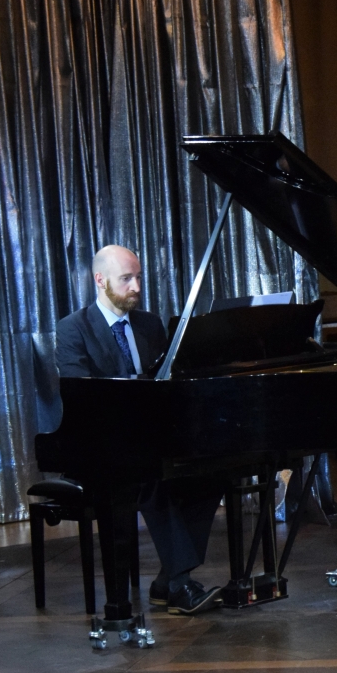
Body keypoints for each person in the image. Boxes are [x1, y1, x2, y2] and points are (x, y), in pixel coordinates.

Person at [55, 244, 224, 616]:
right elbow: (80, 394)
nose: (136, 287)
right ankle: (179, 584)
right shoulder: (74, 328)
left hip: (150, 440)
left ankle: (168, 580)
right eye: (126, 279)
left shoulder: (148, 324)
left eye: (138, 278)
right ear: (100, 281)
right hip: (98, 446)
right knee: (149, 477)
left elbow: (169, 385)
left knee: (210, 475)